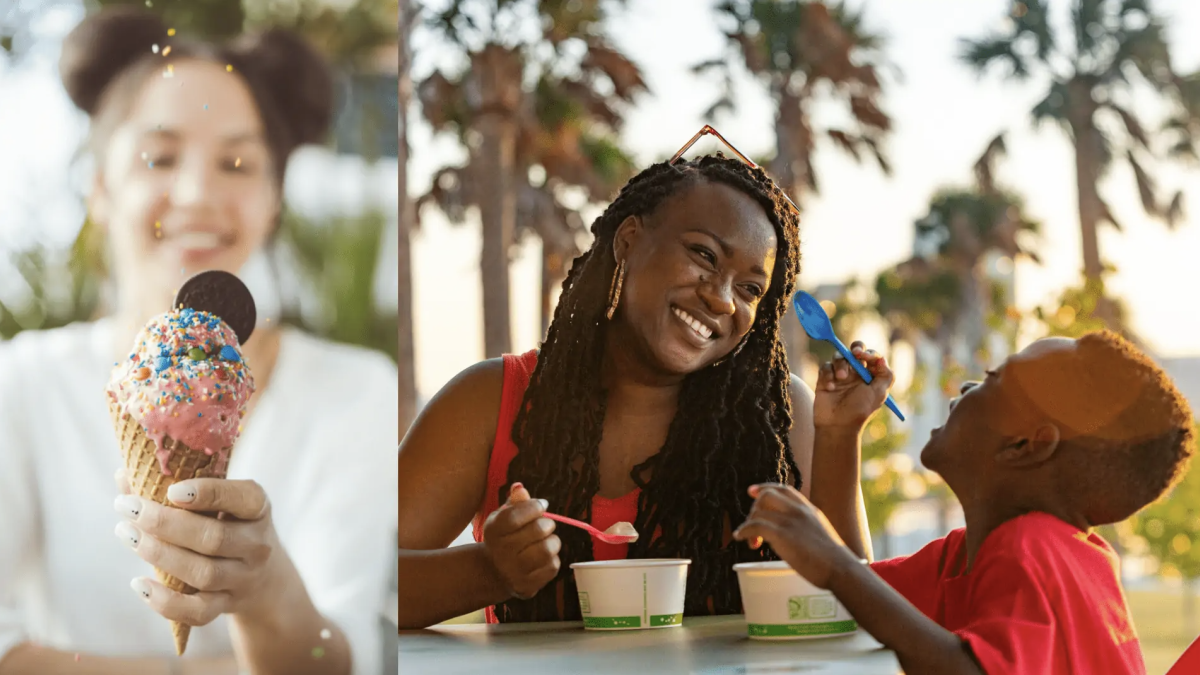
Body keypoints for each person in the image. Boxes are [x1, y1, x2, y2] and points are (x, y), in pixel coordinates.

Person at [0, 8, 397, 675]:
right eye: (159, 157)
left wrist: (267, 593)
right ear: (101, 188)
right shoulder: (23, 381)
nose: (196, 193)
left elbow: (342, 655)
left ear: (273, 197)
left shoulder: (356, 390)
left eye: (237, 164)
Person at [397, 150, 893, 628]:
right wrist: (487, 571)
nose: (721, 299)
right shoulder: (491, 400)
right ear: (629, 240)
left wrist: (840, 436)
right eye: (704, 254)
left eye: (749, 289)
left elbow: (858, 609)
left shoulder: (778, 416)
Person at [734, 331, 1196, 675]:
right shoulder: (975, 554)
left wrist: (835, 564)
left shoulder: (1033, 547)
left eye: (995, 379)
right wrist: (840, 432)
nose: (969, 386)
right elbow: (858, 601)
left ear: (1026, 445)